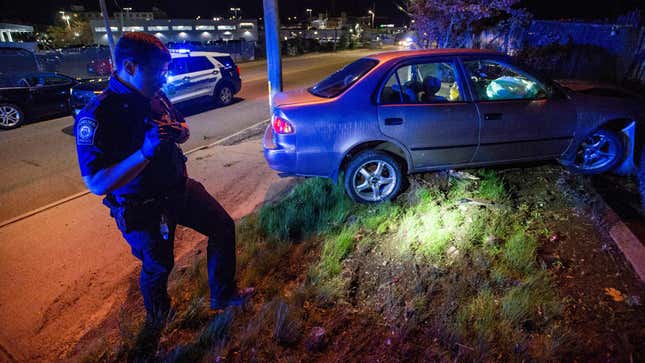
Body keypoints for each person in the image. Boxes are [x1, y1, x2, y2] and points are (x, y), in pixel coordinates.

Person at [74, 32, 250, 328]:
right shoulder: (99, 114)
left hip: (179, 190)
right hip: (143, 208)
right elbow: (96, 182)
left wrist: (180, 132)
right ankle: (159, 320)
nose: (163, 79)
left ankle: (223, 295)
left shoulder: (155, 94)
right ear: (129, 67)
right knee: (159, 266)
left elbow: (180, 125)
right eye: (158, 72)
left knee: (222, 226)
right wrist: (144, 152)